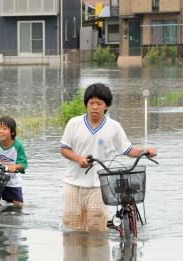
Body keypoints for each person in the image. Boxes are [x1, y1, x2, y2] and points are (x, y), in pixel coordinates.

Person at [59, 83, 157, 232]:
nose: (95, 107)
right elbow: (64, 149)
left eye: (99, 103)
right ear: (86, 104)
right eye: (91, 103)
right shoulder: (74, 123)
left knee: (96, 228)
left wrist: (146, 151)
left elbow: (128, 150)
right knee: (72, 227)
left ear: (107, 105)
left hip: (100, 185)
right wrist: (79, 159)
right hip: (72, 183)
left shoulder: (114, 127)